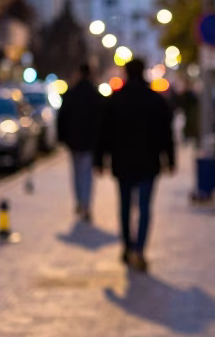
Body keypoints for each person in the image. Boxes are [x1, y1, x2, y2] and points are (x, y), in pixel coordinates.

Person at [95, 59, 175, 272]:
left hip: (122, 162)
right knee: (144, 208)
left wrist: (99, 160)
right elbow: (166, 132)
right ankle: (139, 250)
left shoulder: (116, 99)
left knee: (124, 206)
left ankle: (127, 247)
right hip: (149, 162)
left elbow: (104, 132)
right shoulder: (155, 100)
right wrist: (170, 159)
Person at [56, 63, 101, 223]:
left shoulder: (71, 93)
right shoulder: (94, 94)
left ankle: (80, 202)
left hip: (73, 141)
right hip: (89, 141)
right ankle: (86, 203)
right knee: (87, 173)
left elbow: (62, 117)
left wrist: (62, 138)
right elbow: (101, 120)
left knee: (76, 173)